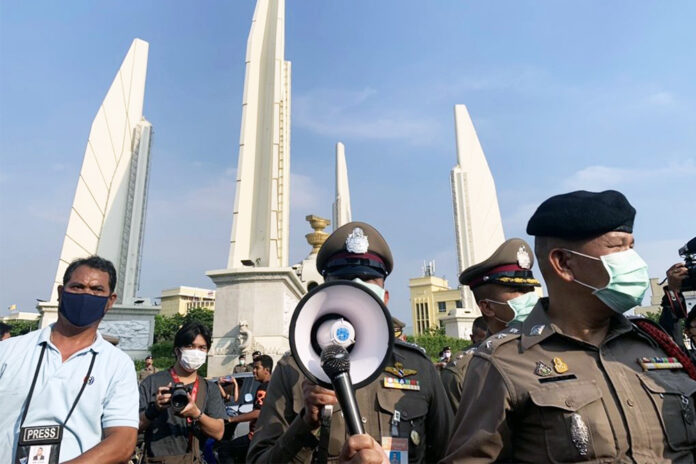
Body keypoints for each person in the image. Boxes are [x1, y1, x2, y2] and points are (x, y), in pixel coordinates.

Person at [442, 190, 696, 463]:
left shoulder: (654, 343)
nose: (634, 261)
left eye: (631, 247)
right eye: (617, 247)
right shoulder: (502, 363)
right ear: (563, 263)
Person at [248, 221, 453, 463]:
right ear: (324, 291)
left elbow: (449, 453)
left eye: (368, 279)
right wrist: (303, 425)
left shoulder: (419, 367)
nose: (357, 287)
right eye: (344, 278)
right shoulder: (293, 370)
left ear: (384, 298)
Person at [0, 255, 139, 463]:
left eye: (97, 290)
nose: (86, 294)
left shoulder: (118, 365)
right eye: (77, 287)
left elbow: (123, 442)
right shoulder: (9, 351)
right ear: (60, 293)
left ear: (110, 301)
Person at [440, 238, 541, 414]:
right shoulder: (464, 372)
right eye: (518, 291)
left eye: (529, 291)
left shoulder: (554, 349)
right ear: (487, 307)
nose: (528, 298)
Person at [138, 321, 226, 462]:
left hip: (192, 459)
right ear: (177, 350)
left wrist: (196, 414)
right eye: (190, 346)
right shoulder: (151, 382)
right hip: (155, 460)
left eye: (202, 348)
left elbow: (219, 432)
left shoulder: (210, 388)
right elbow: (131, 428)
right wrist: (154, 409)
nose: (196, 352)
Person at [219, 354, 273, 463]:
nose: (254, 371)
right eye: (253, 368)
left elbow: (258, 413)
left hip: (256, 438)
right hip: (268, 436)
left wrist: (231, 419)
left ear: (266, 370)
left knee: (224, 449)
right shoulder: (274, 386)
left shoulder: (263, 388)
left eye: (257, 368)